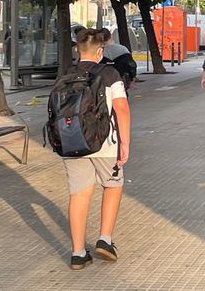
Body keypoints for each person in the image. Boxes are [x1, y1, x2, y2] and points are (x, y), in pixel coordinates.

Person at [63, 29, 131, 270]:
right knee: (112, 185)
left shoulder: (67, 75)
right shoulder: (110, 73)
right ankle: (105, 239)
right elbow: (121, 109)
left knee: (79, 195)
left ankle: (78, 253)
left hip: (73, 144)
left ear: (77, 50)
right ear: (100, 52)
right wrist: (125, 143)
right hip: (104, 143)